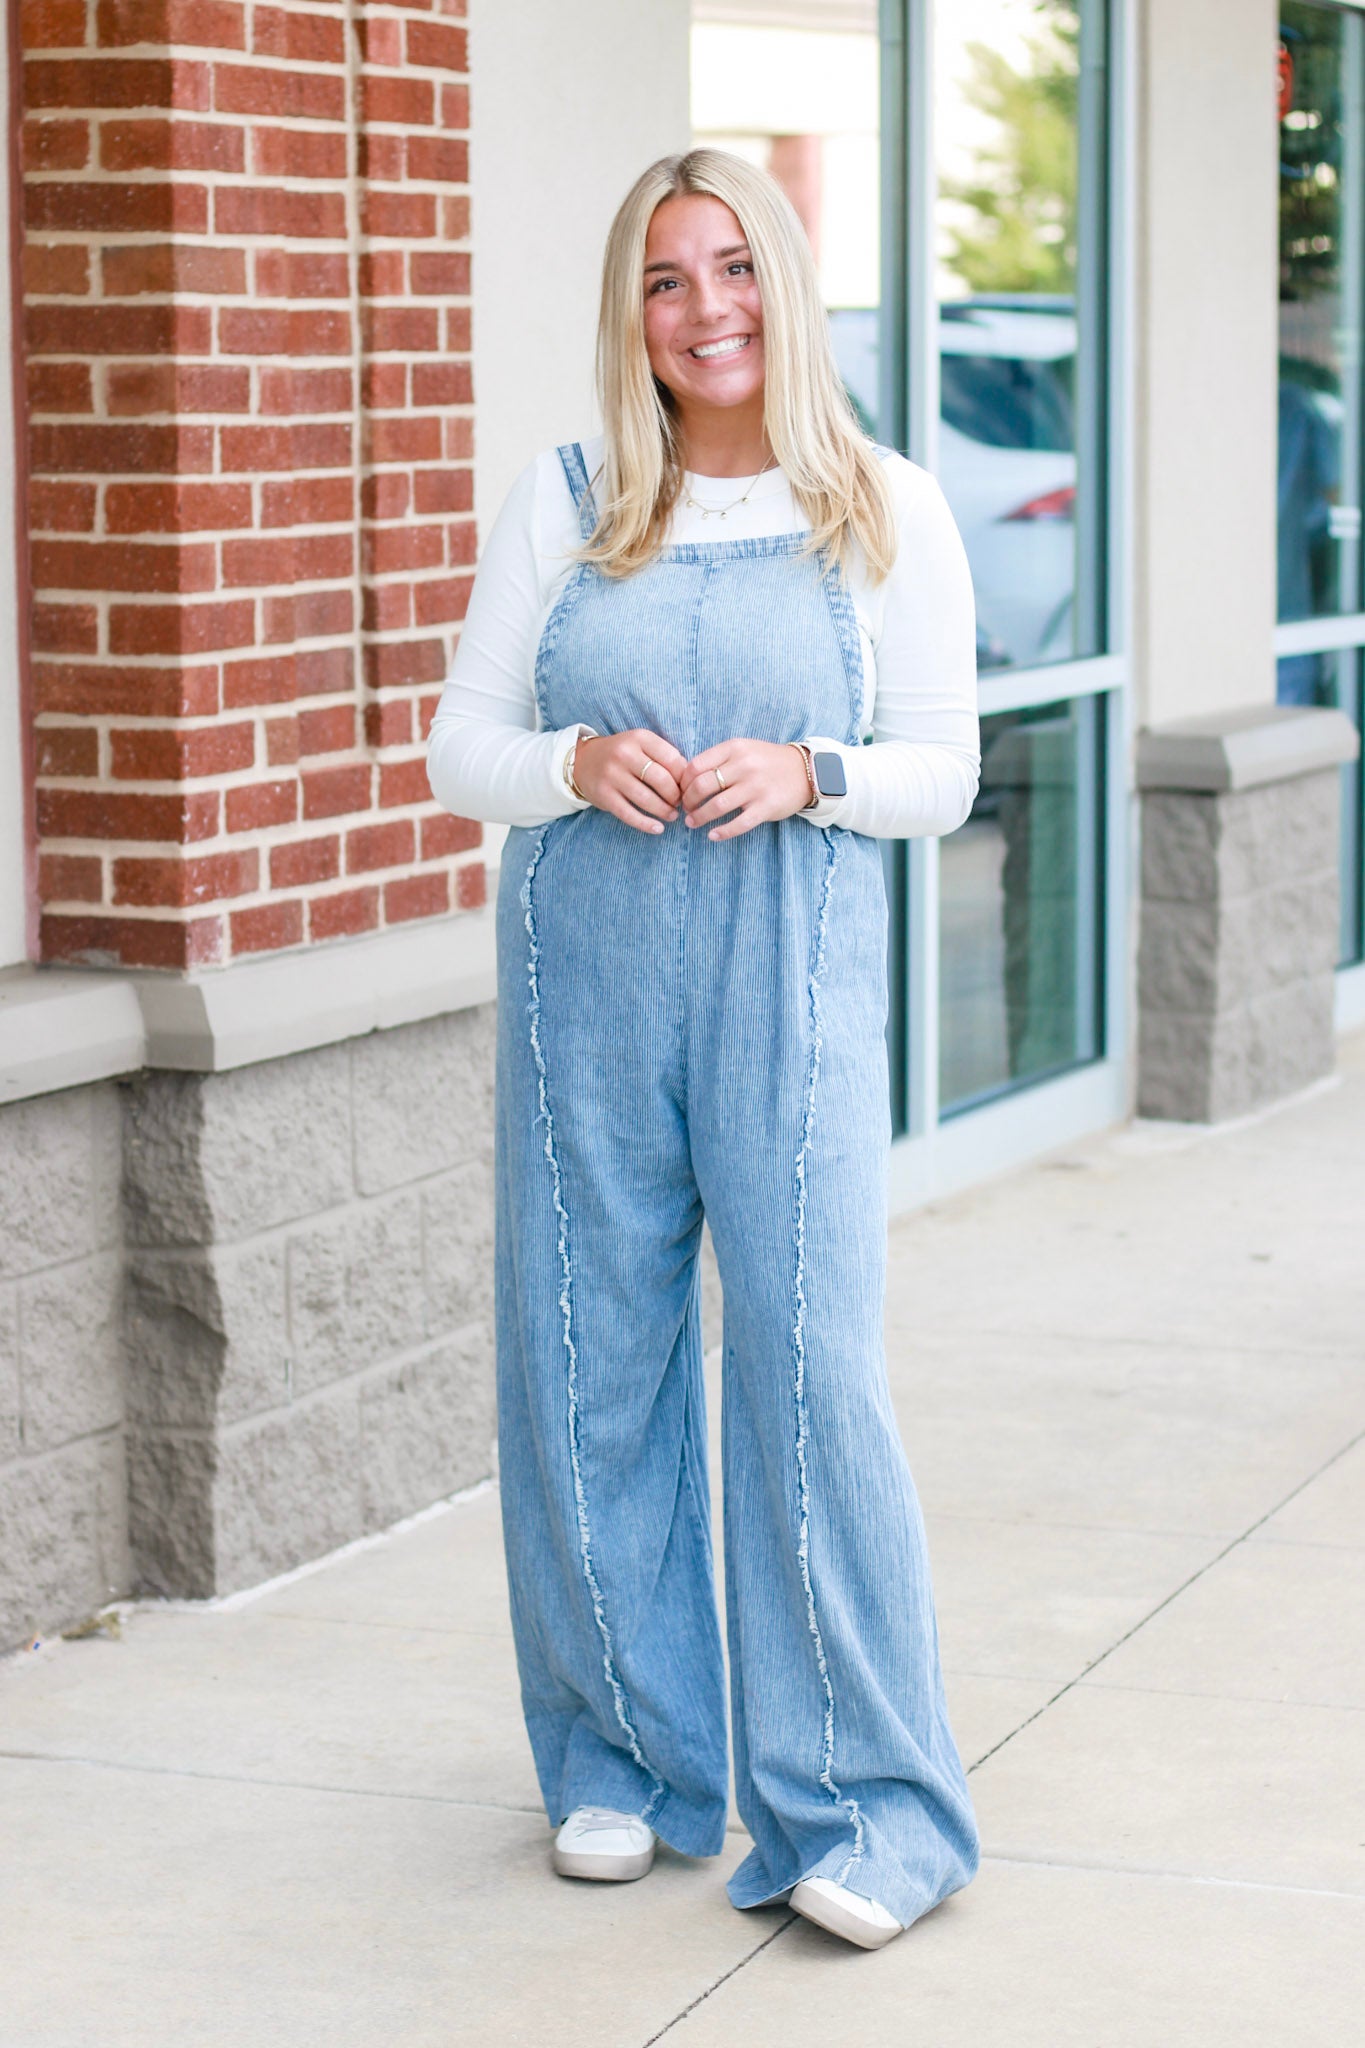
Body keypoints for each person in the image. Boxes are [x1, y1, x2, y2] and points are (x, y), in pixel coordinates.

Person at [425, 148, 981, 1952]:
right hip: (582, 971)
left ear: (782, 285)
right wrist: (572, 761)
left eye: (732, 267)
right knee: (587, 1357)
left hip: (786, 982)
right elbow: (460, 747)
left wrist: (813, 773)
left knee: (810, 1371)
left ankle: (871, 1811)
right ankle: (621, 1761)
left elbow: (943, 770)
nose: (704, 310)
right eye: (664, 280)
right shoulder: (568, 498)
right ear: (631, 314)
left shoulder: (881, 506)